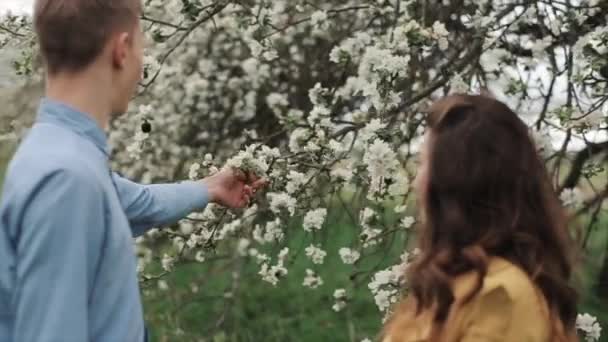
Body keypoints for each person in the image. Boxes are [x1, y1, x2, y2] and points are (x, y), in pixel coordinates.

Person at [0, 0, 265, 341]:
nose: (142, 62)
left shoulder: (63, 153)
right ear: (122, 50)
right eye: (142, 45)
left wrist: (210, 187)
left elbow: (137, 203)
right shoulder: (67, 180)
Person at [381, 94, 579, 342]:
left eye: (424, 164)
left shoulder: (500, 294)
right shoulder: (450, 283)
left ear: (455, 184)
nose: (416, 181)